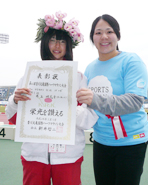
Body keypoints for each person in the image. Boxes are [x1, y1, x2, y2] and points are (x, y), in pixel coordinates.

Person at [5, 11, 98, 185]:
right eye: (53, 40)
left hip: (68, 156)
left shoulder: (79, 78)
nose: (57, 45)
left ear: (69, 45)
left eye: (62, 41)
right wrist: (15, 101)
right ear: (45, 43)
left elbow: (87, 121)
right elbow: (14, 117)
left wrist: (71, 107)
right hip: (34, 155)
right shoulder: (29, 76)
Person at [76, 14, 148, 185]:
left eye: (109, 31)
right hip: (102, 140)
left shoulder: (132, 61)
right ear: (92, 37)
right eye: (98, 32)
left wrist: (95, 99)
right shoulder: (90, 68)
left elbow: (134, 101)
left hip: (131, 141)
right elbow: (86, 105)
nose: (104, 37)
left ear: (118, 35)